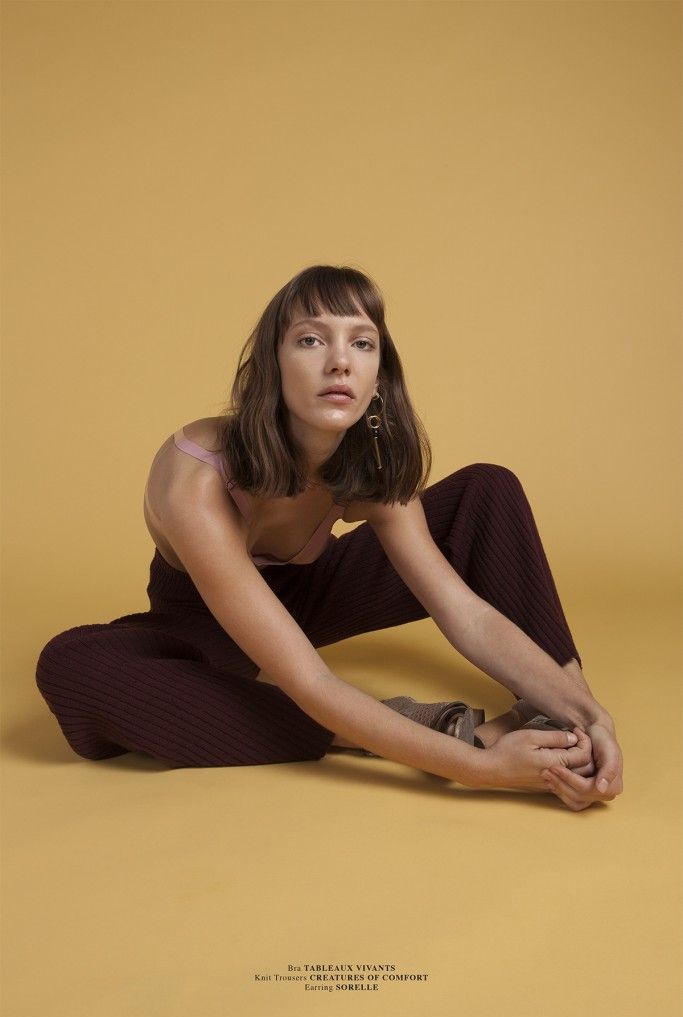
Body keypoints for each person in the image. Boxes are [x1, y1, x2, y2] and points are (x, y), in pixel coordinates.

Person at [35, 264, 623, 811]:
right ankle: (388, 730)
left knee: (485, 490)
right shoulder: (197, 476)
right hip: (206, 624)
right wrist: (477, 765)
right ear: (275, 362)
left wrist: (592, 720)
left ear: (377, 377)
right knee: (73, 666)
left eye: (361, 343)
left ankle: (557, 714)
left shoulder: (368, 462)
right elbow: (309, 680)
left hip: (315, 594)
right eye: (311, 339)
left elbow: (464, 613)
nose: (339, 362)